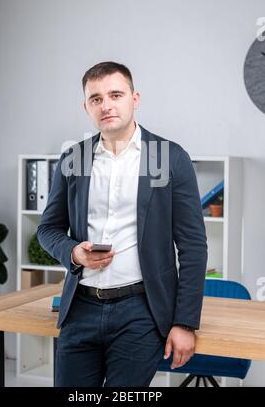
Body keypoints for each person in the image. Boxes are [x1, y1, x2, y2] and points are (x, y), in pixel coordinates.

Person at [37, 61, 208, 387]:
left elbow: (193, 246)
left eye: (115, 94)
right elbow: (48, 229)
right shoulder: (75, 159)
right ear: (86, 107)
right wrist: (75, 253)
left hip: (140, 312)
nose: (107, 105)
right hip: (81, 309)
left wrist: (185, 322)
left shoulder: (164, 157)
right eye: (96, 98)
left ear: (135, 98)